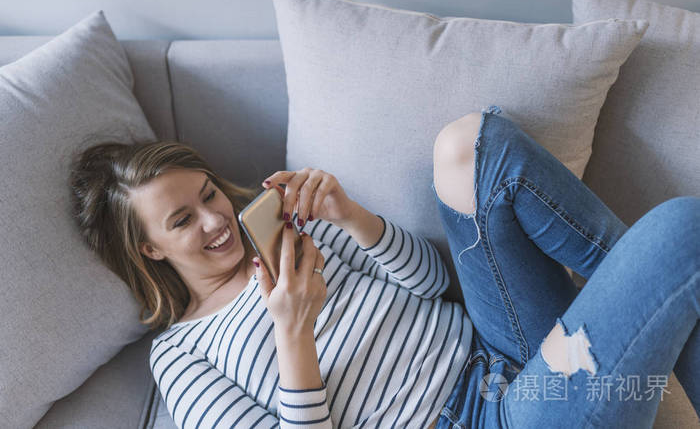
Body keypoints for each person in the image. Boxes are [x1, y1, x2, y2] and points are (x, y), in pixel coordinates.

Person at [68, 105, 699, 428]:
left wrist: (350, 215)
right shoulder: (180, 357)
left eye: (207, 195)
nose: (214, 221)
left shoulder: (293, 234)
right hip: (489, 420)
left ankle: (647, 339)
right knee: (679, 233)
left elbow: (436, 283)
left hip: (503, 343)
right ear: (150, 250)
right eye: (181, 221)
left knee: (472, 144)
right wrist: (293, 332)